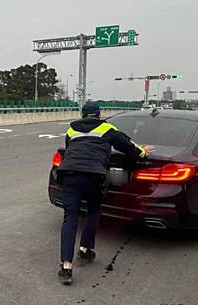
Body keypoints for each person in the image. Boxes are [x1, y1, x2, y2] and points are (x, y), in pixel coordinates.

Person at [57, 102, 153, 285]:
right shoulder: (107, 128)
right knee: (93, 211)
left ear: (83, 114)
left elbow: (71, 150)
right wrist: (143, 152)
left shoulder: (71, 129)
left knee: (69, 219)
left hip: (69, 175)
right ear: (99, 114)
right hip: (93, 176)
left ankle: (66, 267)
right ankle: (85, 250)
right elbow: (127, 146)